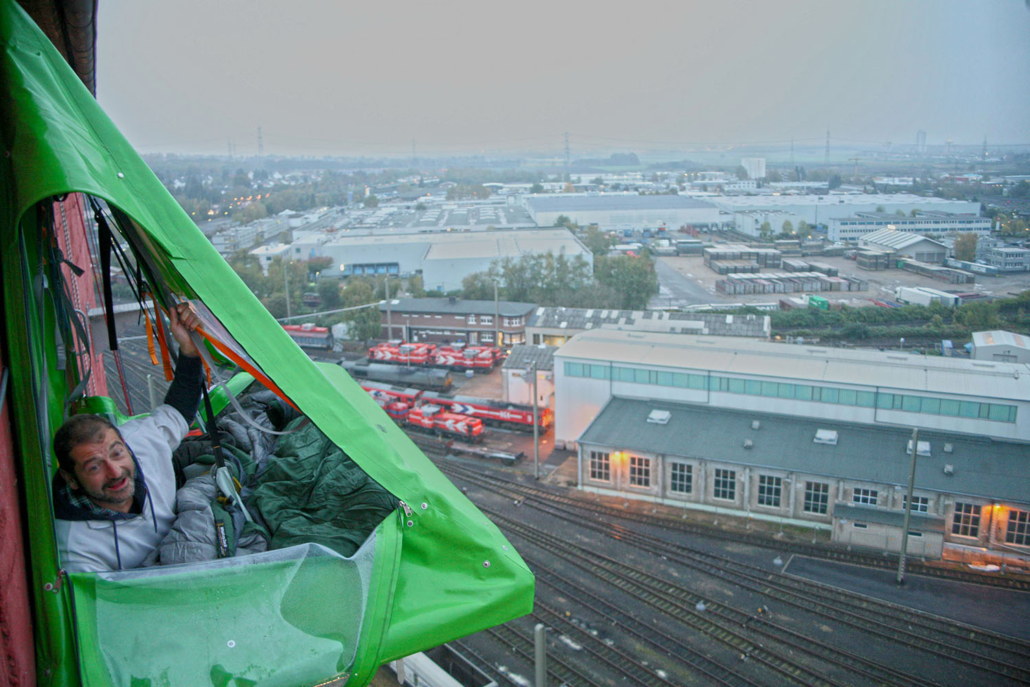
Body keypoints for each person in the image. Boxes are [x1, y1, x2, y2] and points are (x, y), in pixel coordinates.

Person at [52, 302, 203, 572]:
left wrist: (190, 348)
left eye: (117, 453)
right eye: (94, 467)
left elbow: (179, 411)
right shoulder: (77, 549)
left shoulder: (141, 440)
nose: (115, 471)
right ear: (70, 479)